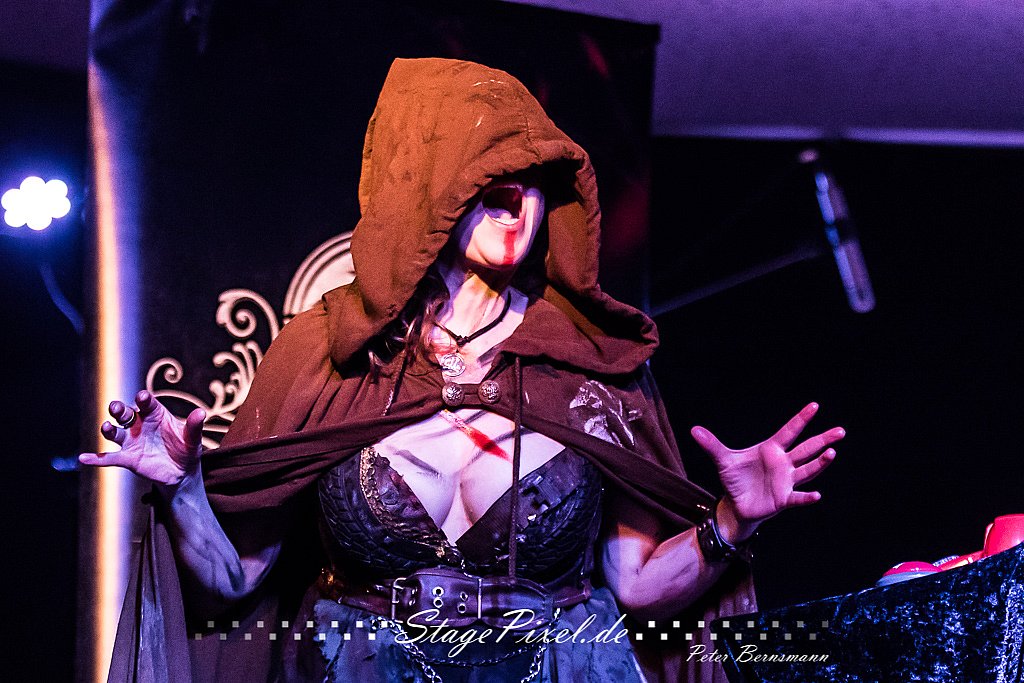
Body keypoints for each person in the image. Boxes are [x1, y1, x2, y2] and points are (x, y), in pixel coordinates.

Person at [80, 57, 844, 683]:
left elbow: (638, 584)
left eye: (532, 175)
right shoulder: (331, 351)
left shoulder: (591, 361)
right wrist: (181, 487)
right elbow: (236, 577)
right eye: (485, 172)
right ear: (422, 189)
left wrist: (732, 521)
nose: (515, 194)